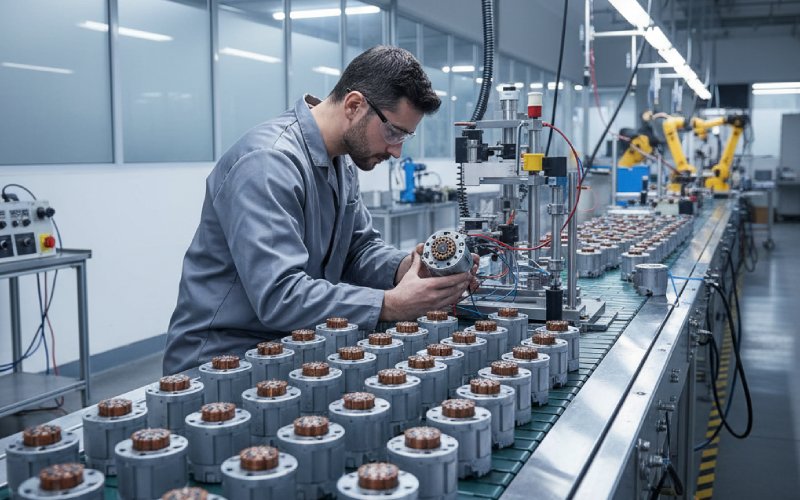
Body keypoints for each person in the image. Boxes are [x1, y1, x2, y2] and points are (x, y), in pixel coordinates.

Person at [163, 46, 477, 374]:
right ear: (355, 105)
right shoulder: (268, 163)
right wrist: (389, 305)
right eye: (393, 132)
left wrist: (412, 266)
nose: (396, 151)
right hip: (222, 361)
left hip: (288, 349)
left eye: (405, 136)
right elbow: (280, 294)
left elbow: (358, 251)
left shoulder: (341, 162)